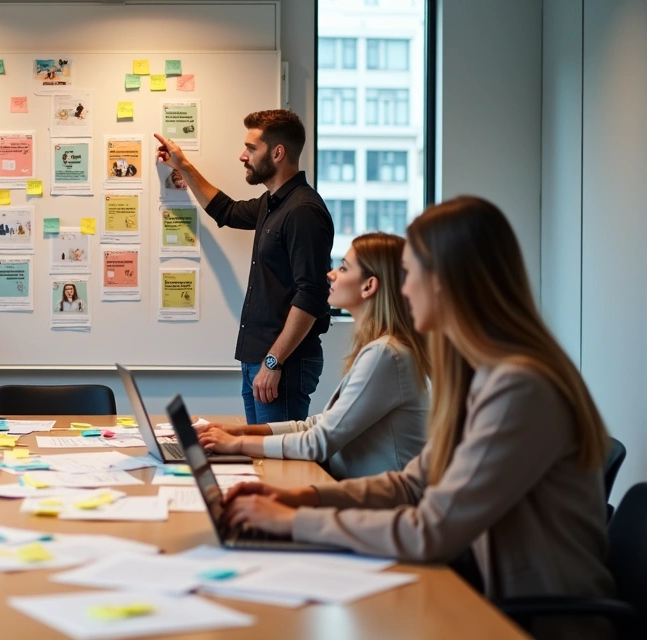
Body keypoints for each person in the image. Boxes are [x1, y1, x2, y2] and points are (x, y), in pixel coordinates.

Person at [221, 197, 613, 636]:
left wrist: (294, 522)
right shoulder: (479, 375)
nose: (403, 289)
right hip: (481, 591)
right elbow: (413, 483)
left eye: (411, 273)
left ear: (448, 280)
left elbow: (432, 530)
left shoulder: (519, 387)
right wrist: (302, 500)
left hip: (529, 620)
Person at [198, 233, 429, 480]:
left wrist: (237, 444)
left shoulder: (386, 355)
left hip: (381, 507)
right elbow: (316, 425)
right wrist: (240, 432)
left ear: (368, 286)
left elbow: (318, 443)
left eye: (343, 268)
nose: (330, 274)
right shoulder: (382, 350)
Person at [155, 109, 333, 423]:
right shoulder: (272, 202)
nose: (243, 156)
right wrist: (182, 165)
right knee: (261, 460)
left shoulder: (303, 211)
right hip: (261, 360)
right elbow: (226, 211)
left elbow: (311, 296)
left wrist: (274, 362)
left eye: (251, 148)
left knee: (280, 464)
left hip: (283, 364)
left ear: (278, 153)